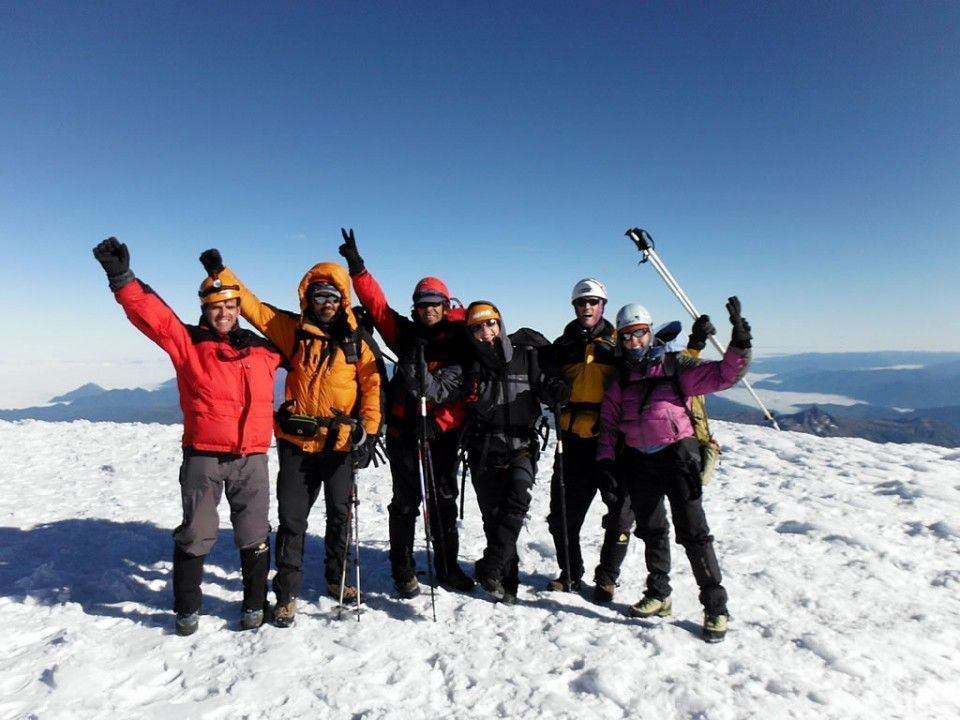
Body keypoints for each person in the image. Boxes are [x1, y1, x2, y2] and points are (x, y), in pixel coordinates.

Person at [92, 238, 283, 636]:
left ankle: (253, 604)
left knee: (254, 533)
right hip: (204, 457)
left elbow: (304, 342)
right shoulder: (189, 344)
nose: (225, 313)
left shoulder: (264, 350)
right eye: (217, 307)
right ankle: (187, 608)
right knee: (197, 532)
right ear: (206, 310)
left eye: (231, 306)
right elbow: (154, 317)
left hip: (253, 457)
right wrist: (122, 278)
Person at [201, 249, 382, 628]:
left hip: (339, 447)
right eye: (319, 297)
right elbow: (254, 309)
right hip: (297, 445)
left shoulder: (357, 340)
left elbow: (372, 385)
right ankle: (287, 594)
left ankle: (338, 580)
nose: (326, 304)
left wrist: (369, 432)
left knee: (339, 515)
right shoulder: (293, 330)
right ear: (308, 299)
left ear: (342, 300)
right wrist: (221, 273)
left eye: (333, 297)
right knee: (292, 520)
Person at [597, 298, 751, 643]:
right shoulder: (622, 378)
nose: (634, 342)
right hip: (638, 459)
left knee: (693, 532)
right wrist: (606, 462)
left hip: (676, 455)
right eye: (627, 336)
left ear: (650, 332)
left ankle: (715, 607)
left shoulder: (675, 366)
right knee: (652, 530)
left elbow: (724, 375)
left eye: (639, 334)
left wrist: (739, 343)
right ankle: (660, 593)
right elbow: (608, 425)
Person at [338, 229, 474, 598]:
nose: (428, 310)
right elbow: (378, 307)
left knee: (442, 502)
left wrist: (440, 424)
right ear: (415, 307)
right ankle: (403, 569)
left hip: (441, 437)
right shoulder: (406, 334)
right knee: (405, 502)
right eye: (422, 304)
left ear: (446, 306)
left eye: (435, 304)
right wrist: (358, 268)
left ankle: (447, 566)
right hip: (402, 433)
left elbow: (460, 393)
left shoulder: (460, 342)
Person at [541, 278, 657, 602]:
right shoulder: (562, 345)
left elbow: (644, 372)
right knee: (562, 516)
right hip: (572, 441)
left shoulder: (619, 344)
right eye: (581, 303)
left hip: (612, 443)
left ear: (603, 305)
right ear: (574, 307)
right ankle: (571, 574)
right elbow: (544, 380)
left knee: (620, 513)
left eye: (593, 302)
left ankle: (606, 578)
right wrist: (550, 386)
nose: (587, 307)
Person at [461, 301, 560, 603]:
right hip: (484, 450)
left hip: (521, 446)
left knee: (517, 502)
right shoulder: (469, 365)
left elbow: (545, 388)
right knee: (494, 518)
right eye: (477, 327)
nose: (485, 332)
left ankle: (490, 566)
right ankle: (508, 580)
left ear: (500, 324)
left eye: (490, 324)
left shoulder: (526, 357)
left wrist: (557, 391)